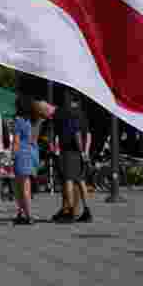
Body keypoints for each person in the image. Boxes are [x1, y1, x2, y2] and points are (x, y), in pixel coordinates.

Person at [52, 90, 93, 223]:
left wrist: (80, 150)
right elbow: (88, 134)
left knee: (68, 180)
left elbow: (76, 133)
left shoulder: (68, 113)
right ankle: (87, 211)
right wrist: (85, 152)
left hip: (70, 151)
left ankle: (70, 211)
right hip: (81, 153)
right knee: (81, 181)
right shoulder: (82, 114)